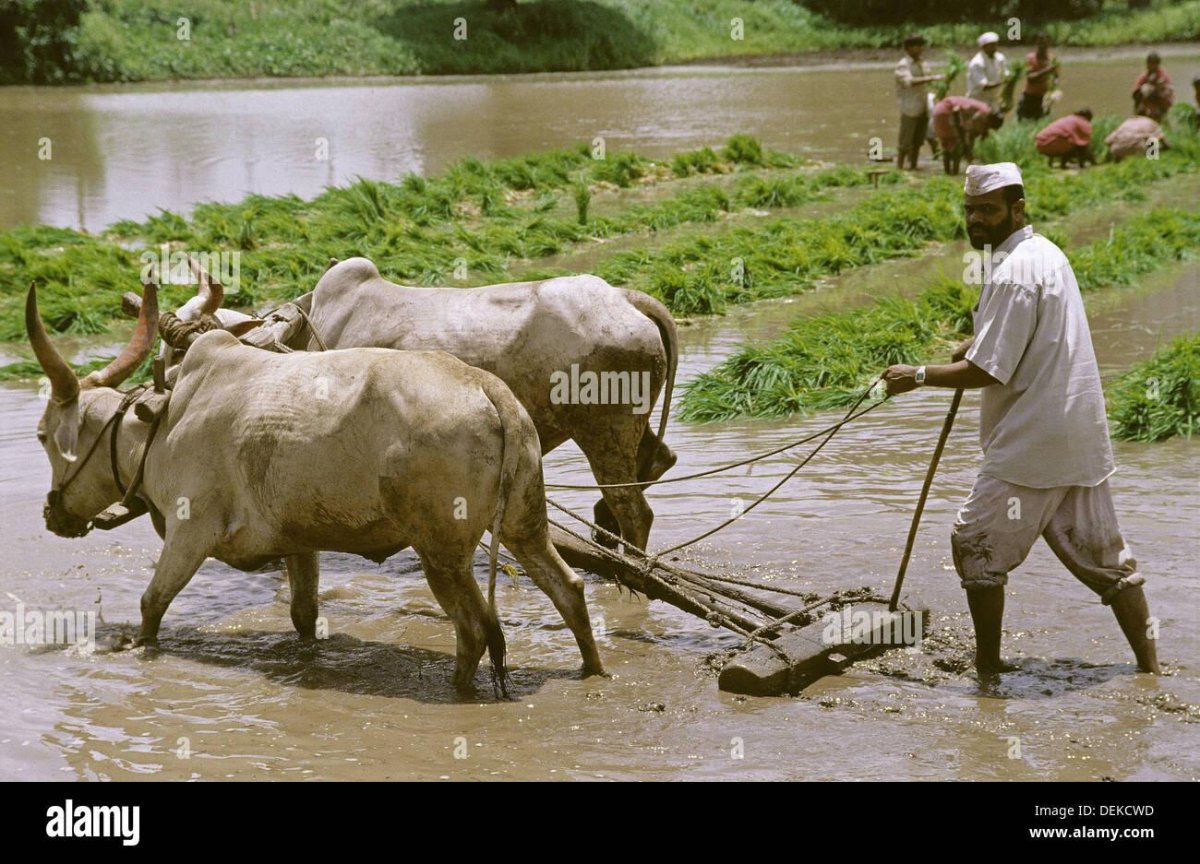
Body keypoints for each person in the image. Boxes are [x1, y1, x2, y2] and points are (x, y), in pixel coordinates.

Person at [881, 162, 1161, 678]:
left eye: (988, 209)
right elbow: (1019, 336)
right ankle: (1149, 670)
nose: (976, 220)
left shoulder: (1012, 271)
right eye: (970, 210)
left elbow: (988, 371)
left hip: (1033, 442)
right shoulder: (1044, 254)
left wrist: (917, 375)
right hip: (1077, 437)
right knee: (1108, 565)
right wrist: (980, 333)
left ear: (1017, 209)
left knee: (975, 546)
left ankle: (988, 670)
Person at [894, 33, 944, 170]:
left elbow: (928, 83)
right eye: (918, 46)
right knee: (905, 143)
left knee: (918, 142)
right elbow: (909, 82)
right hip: (909, 108)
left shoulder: (923, 63)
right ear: (909, 48)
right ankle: (899, 168)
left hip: (923, 107)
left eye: (922, 45)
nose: (921, 48)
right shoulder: (903, 65)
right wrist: (933, 78)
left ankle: (913, 167)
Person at [931, 95, 1003, 175]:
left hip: (938, 109)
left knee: (946, 143)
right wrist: (965, 142)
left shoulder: (983, 106)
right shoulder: (984, 112)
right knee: (956, 145)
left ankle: (947, 173)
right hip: (947, 112)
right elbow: (973, 124)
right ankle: (954, 173)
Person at [1018, 33, 1057, 121]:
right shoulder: (1030, 58)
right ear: (1036, 44)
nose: (1042, 45)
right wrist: (1046, 70)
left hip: (1044, 98)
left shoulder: (1052, 59)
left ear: (1048, 44)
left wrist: (1054, 90)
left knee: (1042, 123)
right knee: (1024, 122)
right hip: (1029, 97)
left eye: (1045, 43)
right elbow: (1030, 78)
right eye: (1040, 43)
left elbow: (1056, 77)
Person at [967, 32, 1009, 112]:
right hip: (978, 99)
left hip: (993, 99)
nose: (995, 47)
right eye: (992, 45)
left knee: (996, 122)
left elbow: (1006, 74)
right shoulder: (977, 63)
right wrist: (1002, 82)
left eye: (995, 44)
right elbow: (985, 86)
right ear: (984, 47)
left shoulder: (1000, 58)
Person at [1132, 52, 1174, 121]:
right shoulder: (1143, 77)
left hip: (1160, 106)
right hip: (1146, 106)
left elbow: (1169, 96)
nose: (1152, 66)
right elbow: (1135, 94)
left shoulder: (1163, 78)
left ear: (1158, 64)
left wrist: (1157, 89)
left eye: (1154, 63)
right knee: (1144, 90)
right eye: (1150, 63)